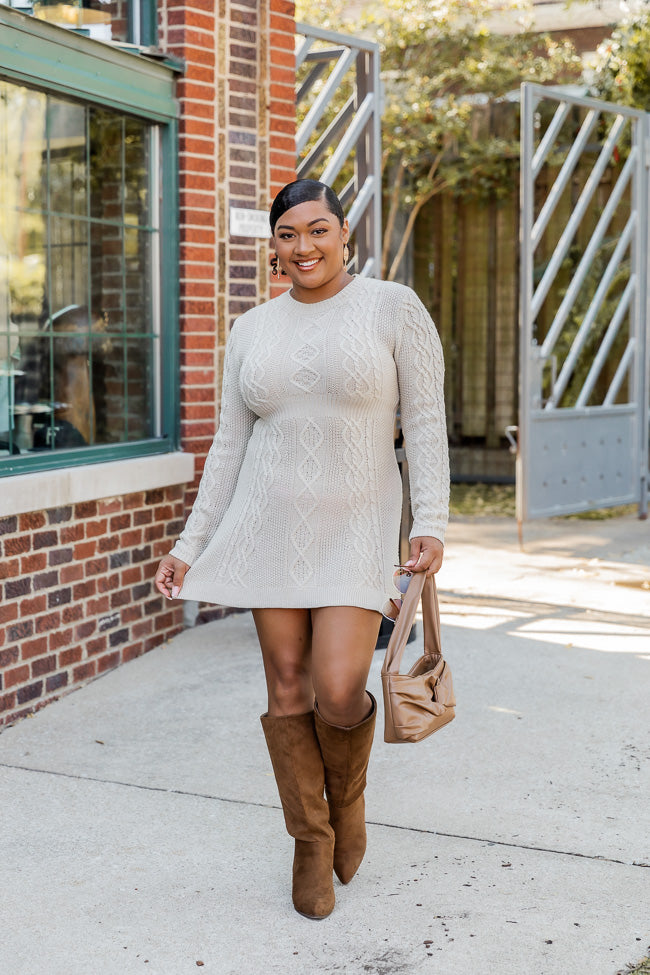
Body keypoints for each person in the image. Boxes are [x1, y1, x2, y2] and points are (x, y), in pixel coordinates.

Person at [154, 179, 449, 920]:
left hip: (358, 526)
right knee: (287, 684)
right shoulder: (251, 328)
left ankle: (346, 803)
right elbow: (229, 445)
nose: (304, 246)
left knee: (340, 686)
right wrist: (191, 543)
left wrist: (433, 522)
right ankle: (311, 840)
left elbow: (426, 420)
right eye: (288, 233)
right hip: (267, 525)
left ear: (344, 233)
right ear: (275, 246)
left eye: (318, 229)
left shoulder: (392, 307)